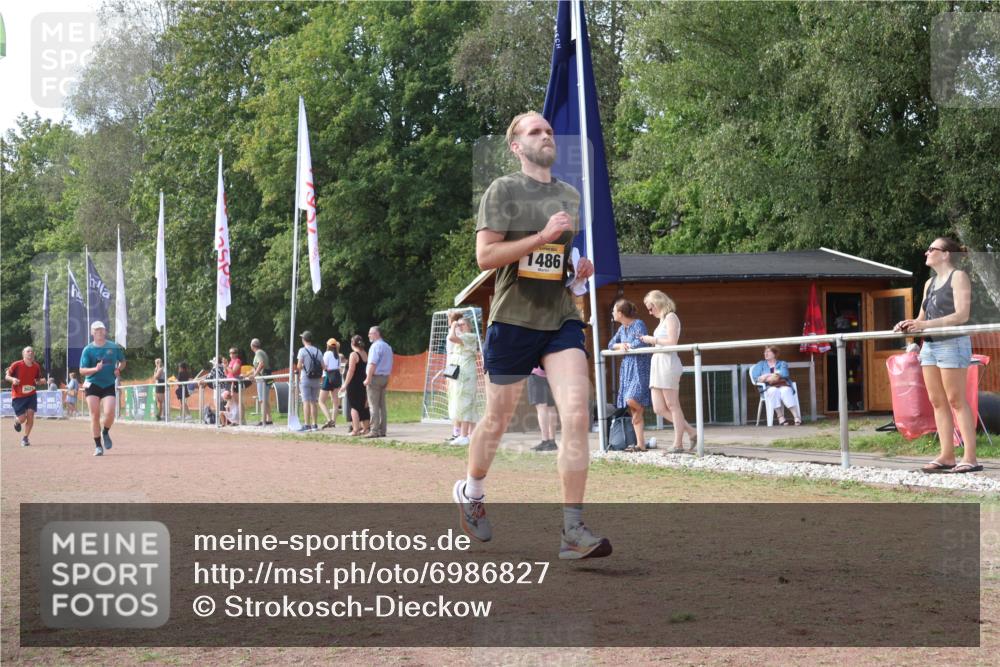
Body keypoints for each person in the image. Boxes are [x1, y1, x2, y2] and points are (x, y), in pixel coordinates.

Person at [453, 111, 611, 561]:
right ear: (516, 147)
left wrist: (579, 273)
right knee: (497, 420)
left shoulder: (569, 195)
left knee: (577, 414)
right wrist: (542, 235)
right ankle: (472, 491)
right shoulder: (503, 190)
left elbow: (563, 265)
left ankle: (572, 529)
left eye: (548, 130)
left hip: (560, 316)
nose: (546, 135)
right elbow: (486, 256)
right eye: (534, 131)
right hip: (513, 319)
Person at [895, 236, 981, 474]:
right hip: (930, 345)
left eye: (931, 249)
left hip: (952, 343)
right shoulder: (929, 283)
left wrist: (926, 326)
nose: (926, 252)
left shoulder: (959, 277)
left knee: (956, 400)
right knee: (937, 401)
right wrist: (909, 323)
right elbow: (922, 319)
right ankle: (947, 455)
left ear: (945, 254)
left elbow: (961, 316)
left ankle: (970, 457)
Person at [640, 290, 696, 453]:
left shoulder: (671, 317)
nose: (650, 312)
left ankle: (678, 443)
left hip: (668, 363)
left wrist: (653, 340)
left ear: (658, 303)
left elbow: (672, 342)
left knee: (672, 405)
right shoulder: (662, 319)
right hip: (658, 362)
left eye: (651, 308)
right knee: (658, 407)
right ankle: (691, 431)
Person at [608, 299, 653, 451]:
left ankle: (640, 411)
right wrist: (621, 345)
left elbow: (640, 342)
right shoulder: (622, 329)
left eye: (614, 311)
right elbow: (610, 344)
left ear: (620, 313)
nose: (612, 314)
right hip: (627, 368)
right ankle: (640, 445)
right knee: (632, 407)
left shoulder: (638, 324)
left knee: (631, 400)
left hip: (639, 367)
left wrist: (628, 346)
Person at [79, 321, 126, 456]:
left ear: (105, 331)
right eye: (96, 330)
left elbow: (123, 362)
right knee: (95, 415)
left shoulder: (113, 347)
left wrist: (118, 369)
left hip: (108, 384)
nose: (99, 332)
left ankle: (105, 431)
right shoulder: (88, 349)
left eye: (101, 329)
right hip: (92, 384)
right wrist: (95, 369)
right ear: (92, 333)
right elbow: (82, 370)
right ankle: (98, 446)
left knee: (110, 412)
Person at [446, 311, 479, 446]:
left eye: (462, 324)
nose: (460, 326)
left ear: (469, 326)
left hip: (466, 374)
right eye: (459, 324)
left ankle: (464, 435)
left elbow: (451, 338)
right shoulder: (464, 337)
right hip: (461, 373)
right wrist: (453, 324)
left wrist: (453, 326)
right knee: (463, 403)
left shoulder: (470, 336)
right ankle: (469, 434)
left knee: (465, 403)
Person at [750, 345, 801, 426]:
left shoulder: (782, 363)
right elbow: (756, 377)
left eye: (768, 352)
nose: (765, 353)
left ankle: (796, 416)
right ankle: (780, 416)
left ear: (774, 354)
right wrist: (773, 376)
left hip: (782, 385)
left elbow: (784, 374)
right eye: (765, 352)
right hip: (768, 387)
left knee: (786, 391)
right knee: (773, 391)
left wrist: (766, 376)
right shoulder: (761, 364)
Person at [5, 346, 42, 446]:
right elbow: (7, 376)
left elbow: (37, 380)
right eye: (28, 351)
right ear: (23, 354)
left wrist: (41, 381)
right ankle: (17, 421)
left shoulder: (36, 367)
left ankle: (25, 438)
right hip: (18, 395)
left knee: (30, 415)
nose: (30, 353)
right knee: (22, 419)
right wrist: (12, 379)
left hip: (31, 394)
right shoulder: (16, 365)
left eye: (32, 351)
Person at [364, 326, 393, 438]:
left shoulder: (375, 347)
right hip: (385, 377)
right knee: (382, 405)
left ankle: (374, 430)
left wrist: (368, 378)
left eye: (370, 333)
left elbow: (372, 363)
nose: (369, 335)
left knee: (373, 405)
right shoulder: (387, 346)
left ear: (376, 334)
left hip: (375, 377)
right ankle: (382, 430)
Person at [340, 334, 371, 435]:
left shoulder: (353, 354)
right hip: (363, 383)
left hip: (354, 384)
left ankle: (355, 429)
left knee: (354, 406)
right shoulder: (364, 353)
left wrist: (345, 384)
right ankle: (366, 428)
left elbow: (351, 371)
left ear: (352, 343)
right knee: (363, 405)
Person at [296, 330, 324, 432]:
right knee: (314, 402)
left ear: (304, 339)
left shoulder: (302, 351)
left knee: (306, 401)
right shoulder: (318, 351)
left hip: (306, 378)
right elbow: (323, 366)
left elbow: (299, 366)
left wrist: (304, 366)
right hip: (316, 379)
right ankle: (314, 424)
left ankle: (307, 425)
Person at [527, 367, 558, 452]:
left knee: (541, 407)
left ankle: (545, 441)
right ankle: (552, 441)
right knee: (550, 407)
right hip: (550, 374)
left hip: (536, 373)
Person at [248, 339, 273, 426]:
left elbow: (261, 364)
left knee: (262, 400)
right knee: (265, 399)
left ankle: (264, 420)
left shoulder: (258, 353)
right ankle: (268, 419)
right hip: (265, 378)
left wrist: (254, 375)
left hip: (262, 379)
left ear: (252, 346)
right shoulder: (261, 352)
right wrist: (248, 374)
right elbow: (256, 367)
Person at [319, 338, 342, 429]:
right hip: (336, 377)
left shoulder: (327, 353)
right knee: (335, 401)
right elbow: (339, 367)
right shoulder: (338, 355)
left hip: (328, 377)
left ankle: (329, 420)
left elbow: (324, 366)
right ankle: (333, 421)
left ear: (328, 345)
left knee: (321, 401)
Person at [226, 347, 244, 424]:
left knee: (238, 401)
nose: (231, 354)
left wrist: (227, 366)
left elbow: (233, 372)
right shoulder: (230, 362)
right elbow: (227, 374)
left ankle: (242, 420)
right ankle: (233, 420)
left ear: (236, 354)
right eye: (230, 353)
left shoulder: (237, 361)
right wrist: (225, 367)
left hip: (236, 382)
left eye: (233, 353)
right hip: (230, 382)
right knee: (230, 402)